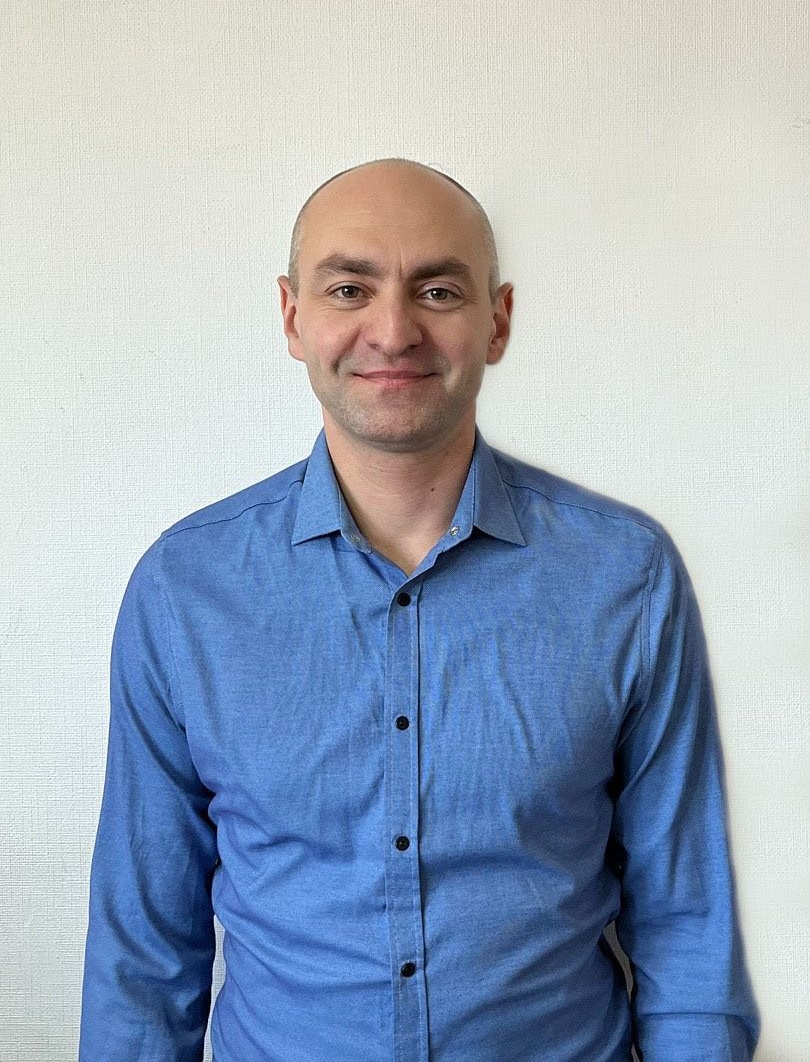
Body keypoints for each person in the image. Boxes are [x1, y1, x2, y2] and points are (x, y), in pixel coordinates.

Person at [79, 158, 760, 1061]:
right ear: (292, 316)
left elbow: (686, 922)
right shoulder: (184, 590)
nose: (394, 331)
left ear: (498, 322)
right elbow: (142, 954)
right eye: (349, 289)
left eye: (438, 291)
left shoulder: (626, 577)